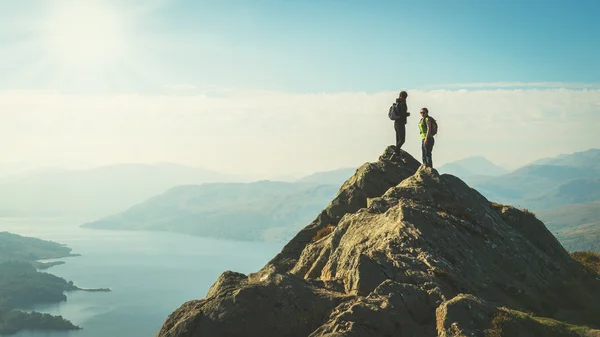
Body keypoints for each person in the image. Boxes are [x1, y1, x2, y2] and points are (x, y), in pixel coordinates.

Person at [393, 91, 409, 157]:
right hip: (400, 123)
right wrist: (407, 114)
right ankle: (395, 152)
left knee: (398, 139)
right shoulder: (403, 103)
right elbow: (402, 114)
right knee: (402, 140)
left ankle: (397, 154)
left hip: (396, 122)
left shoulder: (397, 102)